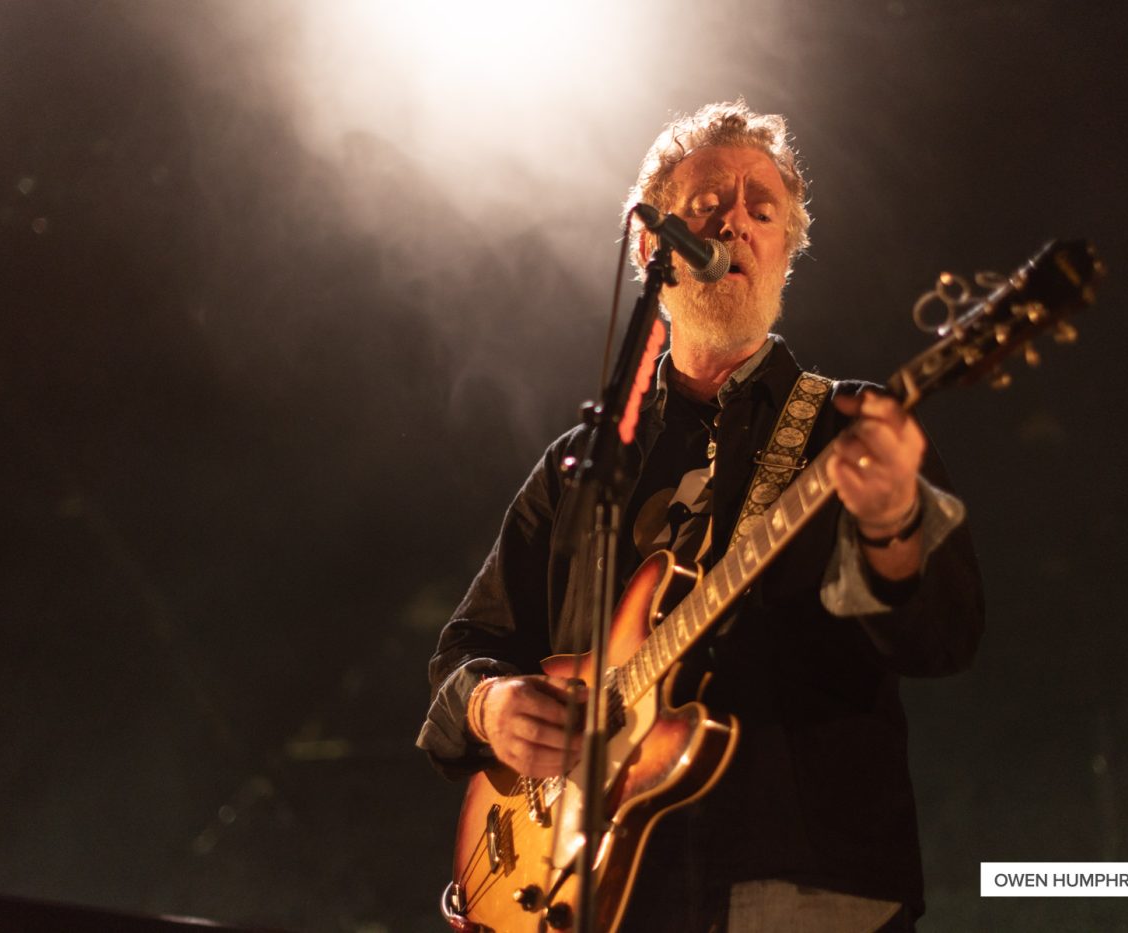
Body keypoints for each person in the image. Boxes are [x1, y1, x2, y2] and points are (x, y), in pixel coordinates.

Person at [417, 100, 984, 932]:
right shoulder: (582, 464)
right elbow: (466, 649)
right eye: (708, 207)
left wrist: (893, 522)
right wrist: (490, 705)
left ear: (787, 251)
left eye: (764, 210)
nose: (738, 224)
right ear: (653, 246)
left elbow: (946, 634)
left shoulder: (854, 429)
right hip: (585, 885)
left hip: (795, 879)